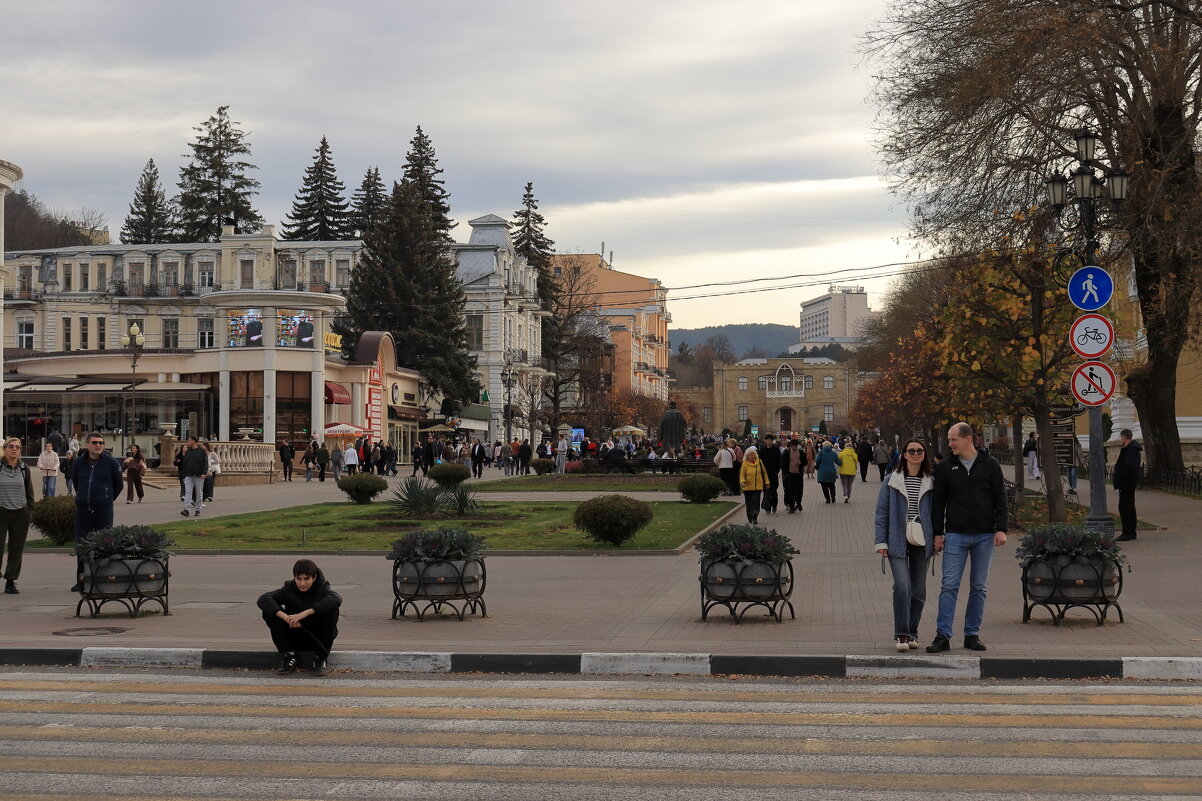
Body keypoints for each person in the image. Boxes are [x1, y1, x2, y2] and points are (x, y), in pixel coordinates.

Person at [928, 422, 1007, 653]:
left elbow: (1000, 499)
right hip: (955, 534)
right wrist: (937, 533)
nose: (950, 443)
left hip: (984, 535)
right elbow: (938, 503)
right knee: (949, 586)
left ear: (969, 439)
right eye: (950, 440)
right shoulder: (945, 467)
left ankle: (972, 634)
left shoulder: (990, 465)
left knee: (979, 587)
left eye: (954, 439)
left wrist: (1001, 529)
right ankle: (943, 635)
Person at [874, 439, 934, 652]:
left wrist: (937, 537)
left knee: (918, 591)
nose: (916, 453)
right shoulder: (891, 480)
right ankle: (901, 635)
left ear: (924, 454)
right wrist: (881, 541)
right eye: (911, 451)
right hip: (896, 539)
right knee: (902, 586)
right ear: (904, 455)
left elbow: (937, 513)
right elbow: (881, 512)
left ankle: (912, 632)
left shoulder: (931, 481)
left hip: (922, 539)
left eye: (920, 450)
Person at [257, 558, 342, 676]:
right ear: (294, 578)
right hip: (294, 635)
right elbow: (264, 599)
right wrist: (287, 617)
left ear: (314, 577)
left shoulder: (322, 587)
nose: (302, 583)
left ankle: (320, 658)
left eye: (306, 579)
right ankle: (289, 656)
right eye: (299, 579)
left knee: (332, 610)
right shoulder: (289, 588)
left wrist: (304, 614)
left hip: (317, 638)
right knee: (269, 611)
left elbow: (336, 599)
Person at [70, 433, 125, 591]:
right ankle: (82, 578)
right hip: (83, 509)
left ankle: (103, 577)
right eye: (94, 442)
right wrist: (83, 497)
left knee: (104, 543)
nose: (98, 445)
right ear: (87, 444)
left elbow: (118, 484)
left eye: (101, 442)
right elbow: (76, 482)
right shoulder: (79, 463)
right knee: (82, 544)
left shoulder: (111, 463)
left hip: (104, 509)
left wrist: (106, 498)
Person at [0, 437, 35, 594]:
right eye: (11, 446)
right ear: (5, 449)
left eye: (18, 447)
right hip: (1, 511)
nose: (15, 449)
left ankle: (10, 581)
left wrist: (29, 509)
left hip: (21, 512)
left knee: (16, 548)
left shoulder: (24, 468)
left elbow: (29, 490)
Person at [1113, 429, 1142, 542]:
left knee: (1124, 507)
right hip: (1128, 482)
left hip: (1127, 482)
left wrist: (1120, 475)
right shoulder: (1131, 449)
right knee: (1129, 506)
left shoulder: (1131, 450)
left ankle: (1127, 532)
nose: (1121, 440)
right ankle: (1130, 532)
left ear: (1124, 437)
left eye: (1121, 437)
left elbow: (1129, 466)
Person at [178, 436, 209, 517]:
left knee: (199, 493)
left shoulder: (202, 451)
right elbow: (185, 464)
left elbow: (206, 462)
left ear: (194, 441)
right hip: (189, 475)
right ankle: (186, 510)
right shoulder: (188, 452)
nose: (187, 442)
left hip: (199, 475)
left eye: (189, 441)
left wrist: (204, 473)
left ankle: (198, 509)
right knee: (188, 492)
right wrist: (184, 475)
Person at [739, 448, 770, 525]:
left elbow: (764, 473)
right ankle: (750, 517)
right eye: (750, 455)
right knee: (748, 503)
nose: (752, 456)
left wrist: (767, 482)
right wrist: (742, 482)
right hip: (747, 487)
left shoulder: (759, 462)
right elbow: (742, 475)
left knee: (755, 502)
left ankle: (755, 516)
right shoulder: (744, 464)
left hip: (757, 487)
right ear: (747, 456)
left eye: (753, 454)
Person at [758, 434, 782, 515]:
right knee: (766, 491)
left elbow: (779, 461)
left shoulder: (776, 450)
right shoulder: (762, 450)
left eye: (771, 440)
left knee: (774, 491)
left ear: (773, 441)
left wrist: (776, 471)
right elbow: (759, 461)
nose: (770, 441)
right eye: (768, 440)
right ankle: (767, 507)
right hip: (765, 475)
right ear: (766, 440)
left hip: (773, 474)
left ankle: (774, 505)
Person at [782, 438, 806, 513]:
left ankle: (798, 502)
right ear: (791, 445)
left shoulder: (801, 452)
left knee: (799, 490)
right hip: (790, 474)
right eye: (793, 445)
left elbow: (805, 462)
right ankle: (791, 507)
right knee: (790, 491)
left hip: (798, 474)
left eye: (796, 445)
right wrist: (784, 474)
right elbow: (783, 463)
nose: (795, 447)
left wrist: (801, 463)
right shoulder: (787, 452)